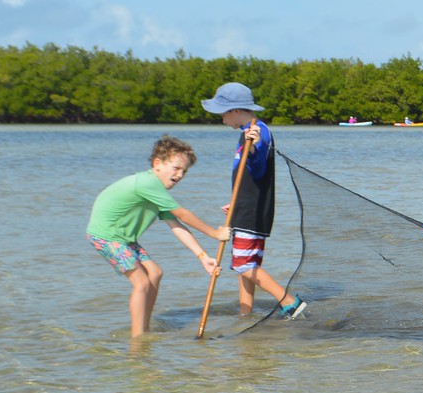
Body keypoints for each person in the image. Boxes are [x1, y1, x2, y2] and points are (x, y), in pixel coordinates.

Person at [86, 135, 226, 338]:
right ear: (157, 164)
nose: (180, 175)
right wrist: (215, 233)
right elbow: (183, 215)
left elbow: (176, 225)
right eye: (176, 168)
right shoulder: (147, 183)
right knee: (141, 282)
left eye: (184, 171)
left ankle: (145, 326)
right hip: (106, 236)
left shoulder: (156, 191)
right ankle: (138, 338)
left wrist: (203, 257)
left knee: (155, 272)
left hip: (124, 238)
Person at [200, 82, 308, 320]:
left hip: (252, 213)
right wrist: (235, 202)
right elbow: (246, 179)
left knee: (244, 265)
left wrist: (255, 146)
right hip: (245, 209)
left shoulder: (257, 132)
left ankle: (290, 302)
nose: (221, 118)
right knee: (245, 266)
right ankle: (245, 312)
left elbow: (258, 167)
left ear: (235, 111)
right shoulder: (245, 133)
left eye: (222, 113)